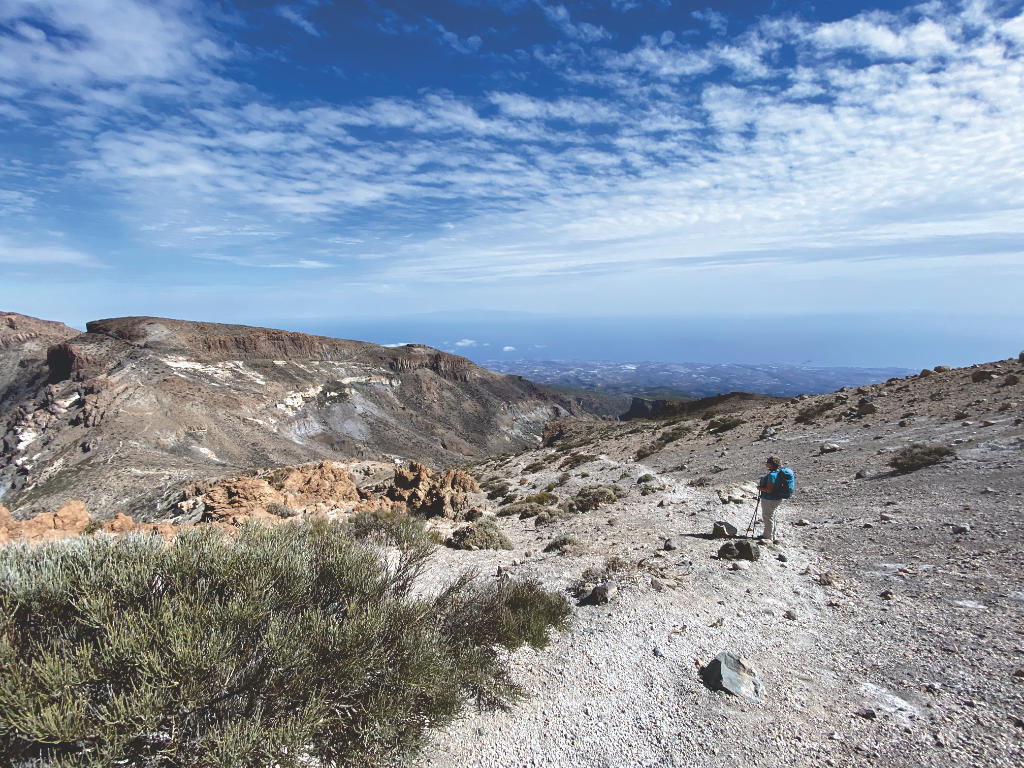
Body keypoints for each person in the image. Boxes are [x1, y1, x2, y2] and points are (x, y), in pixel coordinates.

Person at [756, 456, 789, 541]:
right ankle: (772, 535)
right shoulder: (779, 473)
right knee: (771, 516)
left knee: (767, 516)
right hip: (776, 498)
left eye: (767, 462)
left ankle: (767, 537)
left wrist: (760, 488)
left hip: (769, 499)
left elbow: (769, 490)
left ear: (770, 464)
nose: (766, 463)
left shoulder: (772, 475)